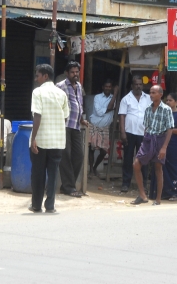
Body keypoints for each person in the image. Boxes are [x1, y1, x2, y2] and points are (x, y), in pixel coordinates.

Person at [29, 64, 69, 213]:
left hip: (41, 141)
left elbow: (37, 115)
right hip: (57, 141)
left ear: (45, 76)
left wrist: (33, 138)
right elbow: (65, 117)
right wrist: (57, 131)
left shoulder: (37, 92)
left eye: (37, 75)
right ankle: (50, 205)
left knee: (38, 174)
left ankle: (36, 205)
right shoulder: (62, 94)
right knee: (53, 174)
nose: (36, 78)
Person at [130, 85, 173, 206]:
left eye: (154, 93)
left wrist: (164, 147)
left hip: (160, 139)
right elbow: (146, 126)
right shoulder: (148, 109)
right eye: (150, 92)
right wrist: (145, 140)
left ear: (160, 95)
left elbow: (170, 129)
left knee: (158, 168)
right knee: (136, 164)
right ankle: (142, 195)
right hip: (148, 138)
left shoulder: (166, 109)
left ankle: (158, 199)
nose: (151, 95)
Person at [56, 61, 88, 197]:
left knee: (79, 156)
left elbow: (79, 104)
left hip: (76, 125)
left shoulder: (79, 86)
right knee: (66, 155)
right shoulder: (60, 86)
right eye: (72, 72)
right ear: (67, 73)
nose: (75, 74)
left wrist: (81, 119)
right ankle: (69, 187)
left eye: (77, 72)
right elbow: (57, 106)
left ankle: (67, 185)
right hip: (64, 125)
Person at [118, 75, 151, 193]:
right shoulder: (126, 99)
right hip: (129, 132)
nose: (138, 86)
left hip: (144, 133)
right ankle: (125, 183)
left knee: (144, 159)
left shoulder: (148, 98)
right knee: (127, 159)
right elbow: (122, 115)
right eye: (136, 84)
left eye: (140, 84)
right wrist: (122, 132)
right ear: (132, 85)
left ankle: (143, 185)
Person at [88, 79, 119, 179]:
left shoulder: (114, 98)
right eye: (106, 86)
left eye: (110, 87)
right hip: (94, 125)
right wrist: (109, 108)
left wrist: (114, 95)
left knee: (104, 151)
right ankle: (91, 170)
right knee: (91, 149)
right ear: (103, 87)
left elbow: (111, 106)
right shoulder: (97, 97)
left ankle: (94, 167)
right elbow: (99, 112)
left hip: (105, 127)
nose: (107, 88)